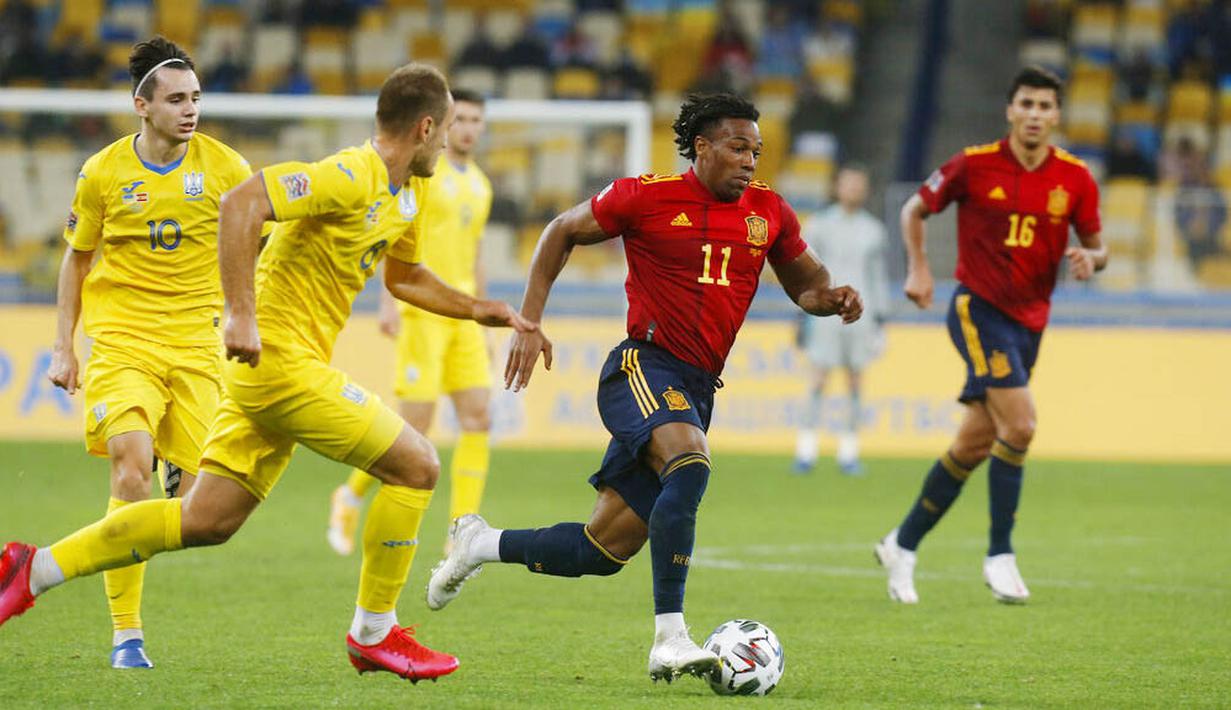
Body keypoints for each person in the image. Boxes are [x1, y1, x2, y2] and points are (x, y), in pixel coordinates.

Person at [0, 63, 537, 682]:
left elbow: (405, 277)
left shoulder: (409, 194)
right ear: (423, 127)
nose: (447, 144)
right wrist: (241, 315)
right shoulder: (349, 174)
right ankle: (374, 632)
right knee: (417, 464)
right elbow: (242, 202)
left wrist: (482, 309)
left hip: (279, 372)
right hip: (275, 363)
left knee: (206, 521)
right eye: (443, 131)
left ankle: (32, 568)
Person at [423, 93, 862, 683]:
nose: (750, 160)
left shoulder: (769, 213)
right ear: (702, 147)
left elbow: (806, 284)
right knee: (690, 462)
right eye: (738, 148)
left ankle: (480, 544)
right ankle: (670, 638)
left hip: (697, 387)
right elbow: (560, 231)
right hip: (643, 365)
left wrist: (831, 301)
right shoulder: (646, 195)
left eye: (756, 151)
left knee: (599, 551)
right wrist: (529, 320)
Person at [45, 36, 265, 670]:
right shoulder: (103, 172)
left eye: (195, 97)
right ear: (141, 105)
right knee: (129, 467)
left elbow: (266, 245)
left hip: (199, 346)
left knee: (204, 516)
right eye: (176, 100)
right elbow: (77, 259)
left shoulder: (226, 167)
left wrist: (252, 317)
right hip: (123, 342)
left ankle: (168, 492)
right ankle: (126, 635)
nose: (190, 110)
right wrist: (65, 346)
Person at [874, 66, 1107, 605]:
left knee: (975, 441)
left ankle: (902, 544)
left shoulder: (1075, 178)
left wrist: (1089, 258)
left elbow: (1100, 246)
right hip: (978, 310)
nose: (1034, 114)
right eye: (1026, 103)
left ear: (1056, 116)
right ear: (1011, 110)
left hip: (1030, 324)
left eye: (1045, 106)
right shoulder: (974, 165)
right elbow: (914, 209)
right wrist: (919, 269)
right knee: (1021, 425)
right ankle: (1000, 554)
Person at [328, 88, 495, 556]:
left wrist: (482, 320)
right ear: (442, 123)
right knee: (415, 426)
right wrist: (386, 303)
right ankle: (349, 494)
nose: (467, 127)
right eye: (459, 118)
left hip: (462, 313)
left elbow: (476, 252)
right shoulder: (427, 173)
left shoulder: (481, 185)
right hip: (423, 310)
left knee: (478, 417)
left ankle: (462, 532)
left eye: (475, 120)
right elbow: (395, 235)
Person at [793, 164, 890, 475]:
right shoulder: (819, 225)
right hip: (824, 313)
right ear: (837, 187)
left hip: (861, 314)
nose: (854, 190)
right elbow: (802, 273)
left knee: (856, 380)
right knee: (818, 378)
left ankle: (849, 451)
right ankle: (806, 450)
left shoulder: (874, 230)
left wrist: (880, 320)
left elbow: (878, 277)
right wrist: (801, 313)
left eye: (859, 185)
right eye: (849, 184)